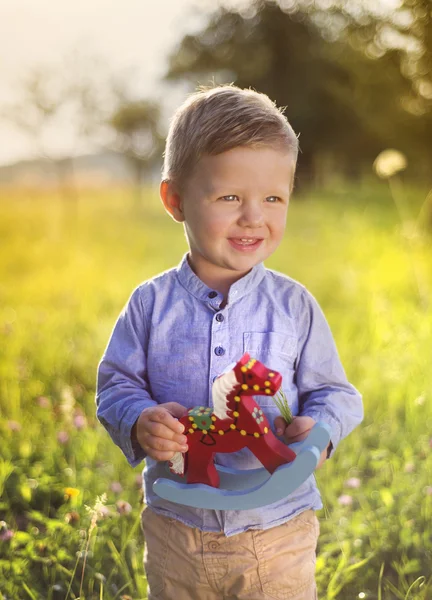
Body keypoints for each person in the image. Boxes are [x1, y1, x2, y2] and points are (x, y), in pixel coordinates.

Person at [96, 85, 363, 600]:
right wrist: (139, 418)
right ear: (175, 200)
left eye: (272, 198)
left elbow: (337, 393)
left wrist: (319, 430)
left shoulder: (295, 305)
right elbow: (116, 385)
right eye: (229, 197)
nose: (253, 217)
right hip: (178, 531)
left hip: (277, 531)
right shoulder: (149, 305)